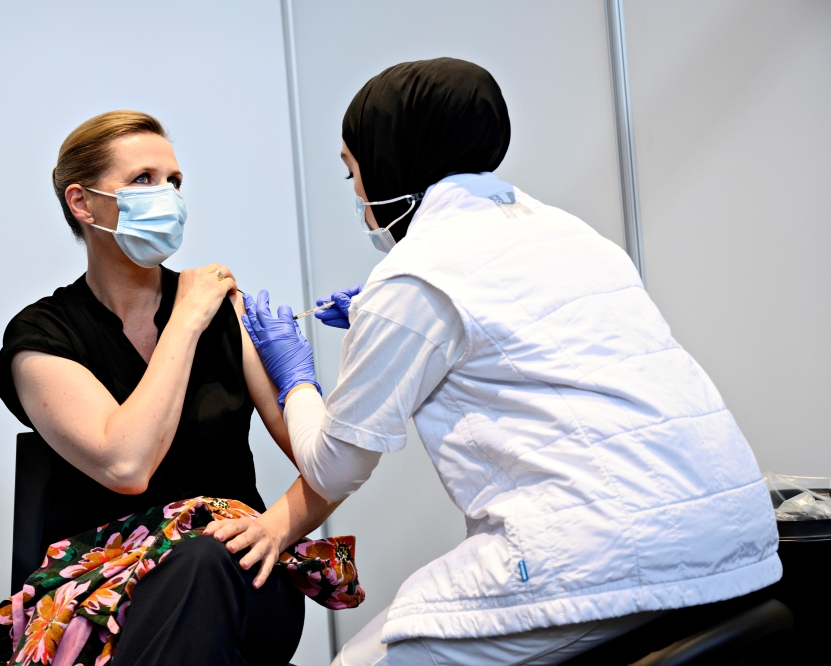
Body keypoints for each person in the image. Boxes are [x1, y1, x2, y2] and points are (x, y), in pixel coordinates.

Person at [231, 58, 781, 665]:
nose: (359, 195)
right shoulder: (568, 233)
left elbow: (333, 468)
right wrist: (379, 318)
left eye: (353, 172)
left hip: (615, 556)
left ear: (392, 157)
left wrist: (295, 377)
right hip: (732, 535)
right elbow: (520, 334)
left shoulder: (413, 276)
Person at [0, 110, 338, 666]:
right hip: (100, 595)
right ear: (82, 203)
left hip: (239, 577)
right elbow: (126, 465)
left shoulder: (225, 314)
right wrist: (185, 321)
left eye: (174, 182)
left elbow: (332, 462)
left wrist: (278, 526)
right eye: (143, 180)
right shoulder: (42, 337)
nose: (168, 196)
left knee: (203, 562)